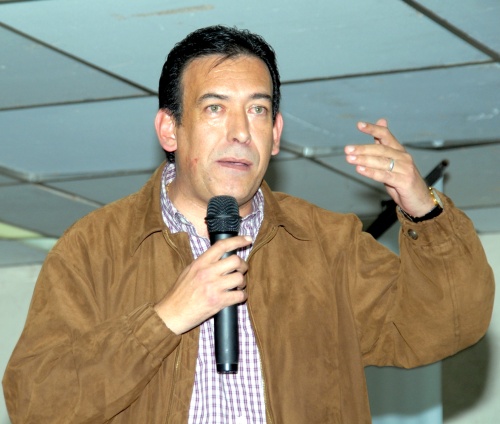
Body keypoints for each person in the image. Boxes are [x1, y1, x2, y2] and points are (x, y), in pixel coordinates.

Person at [3, 25, 494, 424]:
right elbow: (35, 403)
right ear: (170, 129)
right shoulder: (94, 248)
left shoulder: (327, 245)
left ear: (275, 134)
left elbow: (449, 323)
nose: (240, 132)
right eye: (215, 108)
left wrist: (424, 209)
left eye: (257, 110)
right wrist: (165, 318)